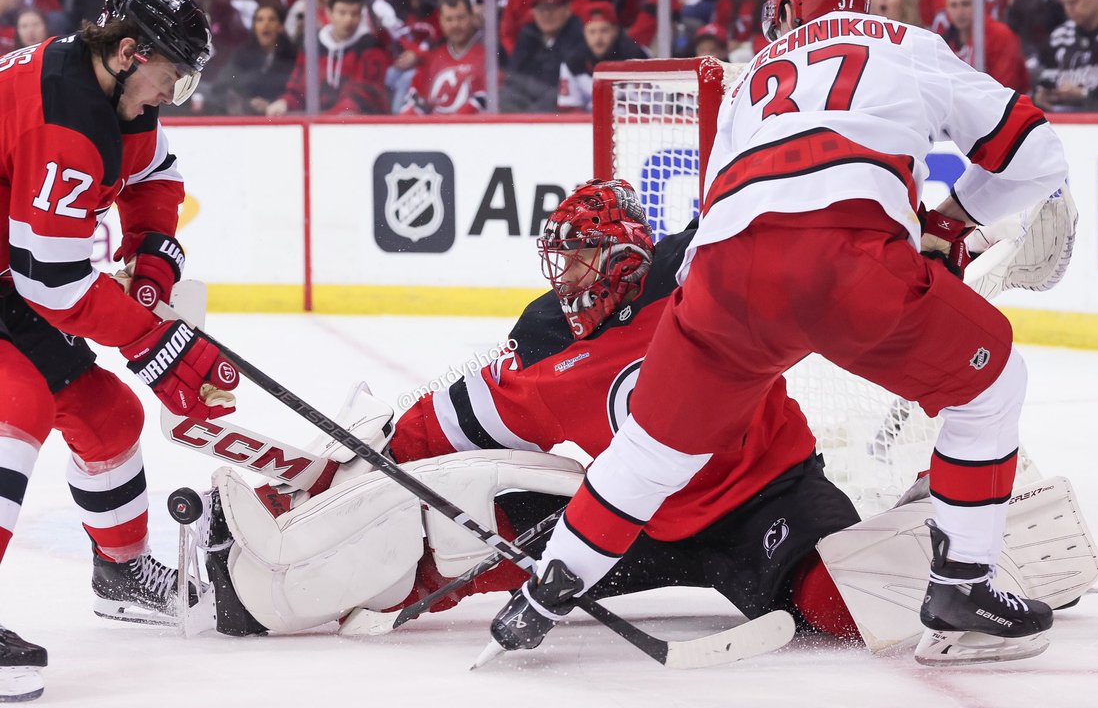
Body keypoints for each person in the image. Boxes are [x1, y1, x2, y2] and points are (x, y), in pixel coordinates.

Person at [489, 0, 1069, 668]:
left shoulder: (750, 78)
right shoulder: (906, 42)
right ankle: (961, 587)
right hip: (848, 261)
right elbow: (1036, 154)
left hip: (724, 276)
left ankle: (542, 596)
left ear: (788, 6)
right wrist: (950, 222)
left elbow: (712, 220)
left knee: (650, 449)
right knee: (992, 385)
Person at [192, 179, 865, 644]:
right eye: (559, 262)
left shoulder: (705, 274)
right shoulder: (548, 339)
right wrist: (331, 478)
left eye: (580, 260)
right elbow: (445, 424)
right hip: (633, 519)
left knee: (847, 607)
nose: (565, 279)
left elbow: (807, 264)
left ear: (626, 256)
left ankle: (959, 530)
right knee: (461, 531)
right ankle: (259, 589)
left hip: (771, 494)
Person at [0, 0, 241, 701]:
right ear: (134, 52)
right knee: (17, 409)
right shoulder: (65, 121)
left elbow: (154, 177)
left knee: (108, 418)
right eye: (176, 76)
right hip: (21, 279)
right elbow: (55, 284)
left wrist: (153, 258)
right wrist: (158, 344)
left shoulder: (116, 87)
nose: (177, 93)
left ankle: (121, 572)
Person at [267, 0, 390, 115]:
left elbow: (364, 94)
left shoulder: (371, 47)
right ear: (329, 13)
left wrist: (330, 118)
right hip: (324, 121)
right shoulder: (312, 45)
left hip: (360, 124)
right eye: (342, 13)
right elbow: (298, 88)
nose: (348, 19)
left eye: (354, 14)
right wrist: (285, 102)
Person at [500, 0, 585, 113]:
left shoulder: (579, 34)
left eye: (553, 8)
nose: (546, 14)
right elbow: (514, 77)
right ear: (533, 11)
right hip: (528, 105)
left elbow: (564, 85)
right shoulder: (528, 34)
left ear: (568, 9)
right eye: (541, 8)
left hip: (564, 110)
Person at [399, 0, 486, 114]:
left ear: (472, 17)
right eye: (449, 19)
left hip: (469, 130)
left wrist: (451, 126)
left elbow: (484, 98)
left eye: (461, 18)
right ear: (441, 21)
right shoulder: (433, 57)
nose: (455, 25)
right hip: (434, 130)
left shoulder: (486, 55)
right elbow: (413, 100)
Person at [558, 1, 647, 112]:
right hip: (589, 125)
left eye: (604, 31)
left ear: (615, 30)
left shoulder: (636, 57)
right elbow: (569, 109)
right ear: (584, 33)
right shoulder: (572, 61)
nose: (598, 38)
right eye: (592, 32)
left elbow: (642, 109)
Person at [942, 0, 1030, 93]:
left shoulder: (1001, 36)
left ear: (979, 5)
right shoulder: (945, 40)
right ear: (947, 8)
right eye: (953, 5)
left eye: (965, 4)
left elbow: (1004, 90)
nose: (959, 12)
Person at [212, 2, 296, 115]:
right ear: (254, 27)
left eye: (271, 19)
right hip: (245, 117)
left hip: (280, 116)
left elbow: (296, 90)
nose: (266, 24)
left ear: (280, 27)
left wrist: (272, 103)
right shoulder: (242, 54)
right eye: (260, 20)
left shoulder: (292, 55)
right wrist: (247, 102)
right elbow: (222, 86)